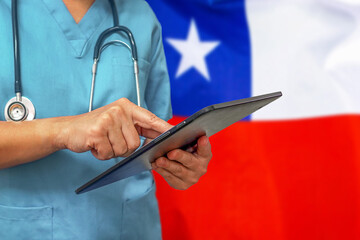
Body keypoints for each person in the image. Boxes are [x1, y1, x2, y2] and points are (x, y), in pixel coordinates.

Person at [0, 0, 212, 239]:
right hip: (23, 229)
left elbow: (154, 138)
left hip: (126, 227)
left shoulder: (140, 15)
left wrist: (179, 163)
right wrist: (64, 131)